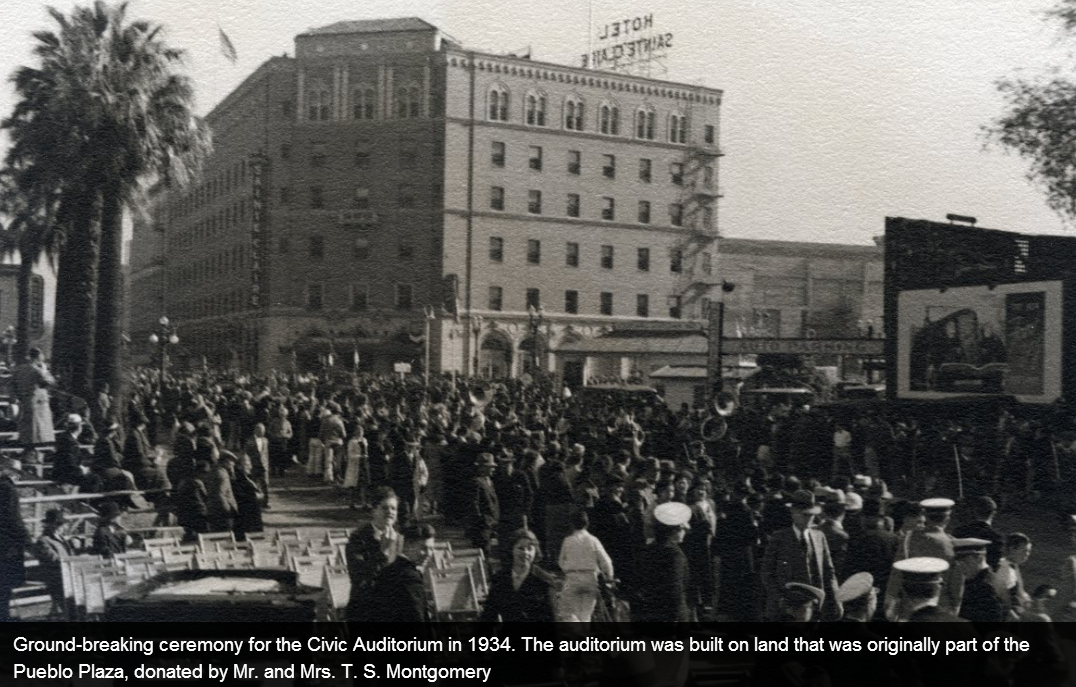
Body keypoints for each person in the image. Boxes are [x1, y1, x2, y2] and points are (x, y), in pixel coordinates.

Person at [760, 490, 842, 621]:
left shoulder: (819, 536)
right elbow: (767, 573)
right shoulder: (779, 538)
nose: (810, 518)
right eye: (805, 515)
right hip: (785, 610)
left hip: (814, 608)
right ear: (793, 513)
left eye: (812, 515)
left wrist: (838, 599)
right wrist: (781, 599)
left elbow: (829, 572)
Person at [346, 487, 401, 622]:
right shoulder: (358, 538)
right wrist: (383, 552)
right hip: (365, 611)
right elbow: (359, 576)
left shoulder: (400, 537)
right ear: (374, 510)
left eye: (394, 509)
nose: (390, 512)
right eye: (385, 508)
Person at [479, 528, 557, 623]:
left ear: (535, 551)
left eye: (530, 549)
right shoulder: (500, 579)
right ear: (511, 549)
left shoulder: (543, 581)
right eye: (521, 548)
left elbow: (551, 619)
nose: (525, 553)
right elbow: (488, 616)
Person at [632, 501, 692, 622]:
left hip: (647, 613)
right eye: (683, 528)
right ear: (676, 530)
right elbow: (675, 590)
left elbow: (636, 582)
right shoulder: (674, 554)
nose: (684, 532)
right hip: (669, 615)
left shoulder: (647, 549)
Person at [367, 523, 435, 622]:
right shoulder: (410, 577)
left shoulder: (387, 570)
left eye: (431, 549)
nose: (429, 554)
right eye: (424, 548)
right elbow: (416, 617)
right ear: (408, 545)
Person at [556, 507, 614, 623]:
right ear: (587, 523)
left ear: (571, 524)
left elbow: (561, 561)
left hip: (573, 578)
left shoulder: (568, 540)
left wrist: (567, 569)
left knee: (568, 612)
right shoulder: (593, 540)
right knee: (586, 616)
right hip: (590, 578)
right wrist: (609, 577)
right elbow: (606, 561)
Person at [0, 454, 31, 620]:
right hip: (7, 544)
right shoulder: (8, 489)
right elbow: (13, 518)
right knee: (5, 583)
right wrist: (27, 540)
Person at [12, 347, 55, 457]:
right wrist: (45, 369)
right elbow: (50, 382)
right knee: (37, 433)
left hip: (25, 401)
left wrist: (18, 397)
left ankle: (29, 453)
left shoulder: (19, 369)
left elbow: (12, 385)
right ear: (38, 356)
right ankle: (35, 455)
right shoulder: (37, 370)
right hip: (38, 403)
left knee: (27, 431)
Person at [953, 537, 1005, 623]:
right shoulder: (978, 580)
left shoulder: (987, 586)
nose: (961, 567)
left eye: (966, 562)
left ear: (979, 559)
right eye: (958, 563)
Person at [32, 508, 72, 618]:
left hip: (69, 575)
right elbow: (53, 559)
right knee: (70, 606)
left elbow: (69, 555)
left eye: (60, 524)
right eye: (57, 524)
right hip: (57, 578)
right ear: (49, 525)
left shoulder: (62, 539)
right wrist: (69, 562)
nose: (60, 527)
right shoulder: (43, 541)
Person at [467, 453, 500, 557]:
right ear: (482, 468)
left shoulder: (490, 481)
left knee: (489, 551)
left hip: (491, 522)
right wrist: (480, 521)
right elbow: (474, 503)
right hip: (483, 525)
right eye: (491, 467)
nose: (493, 469)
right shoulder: (476, 482)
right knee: (483, 552)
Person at [52, 414, 87, 491]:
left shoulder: (64, 437)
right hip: (67, 475)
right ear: (78, 427)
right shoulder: (71, 442)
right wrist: (82, 470)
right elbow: (70, 463)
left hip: (61, 472)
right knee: (95, 479)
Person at [243, 423, 271, 509]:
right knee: (253, 484)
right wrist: (247, 465)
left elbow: (266, 454)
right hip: (254, 465)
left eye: (263, 431)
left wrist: (267, 465)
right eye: (260, 431)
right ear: (256, 430)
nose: (262, 433)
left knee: (265, 485)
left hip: (263, 466)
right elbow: (246, 453)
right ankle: (253, 502)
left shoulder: (265, 440)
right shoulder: (249, 441)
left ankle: (265, 502)